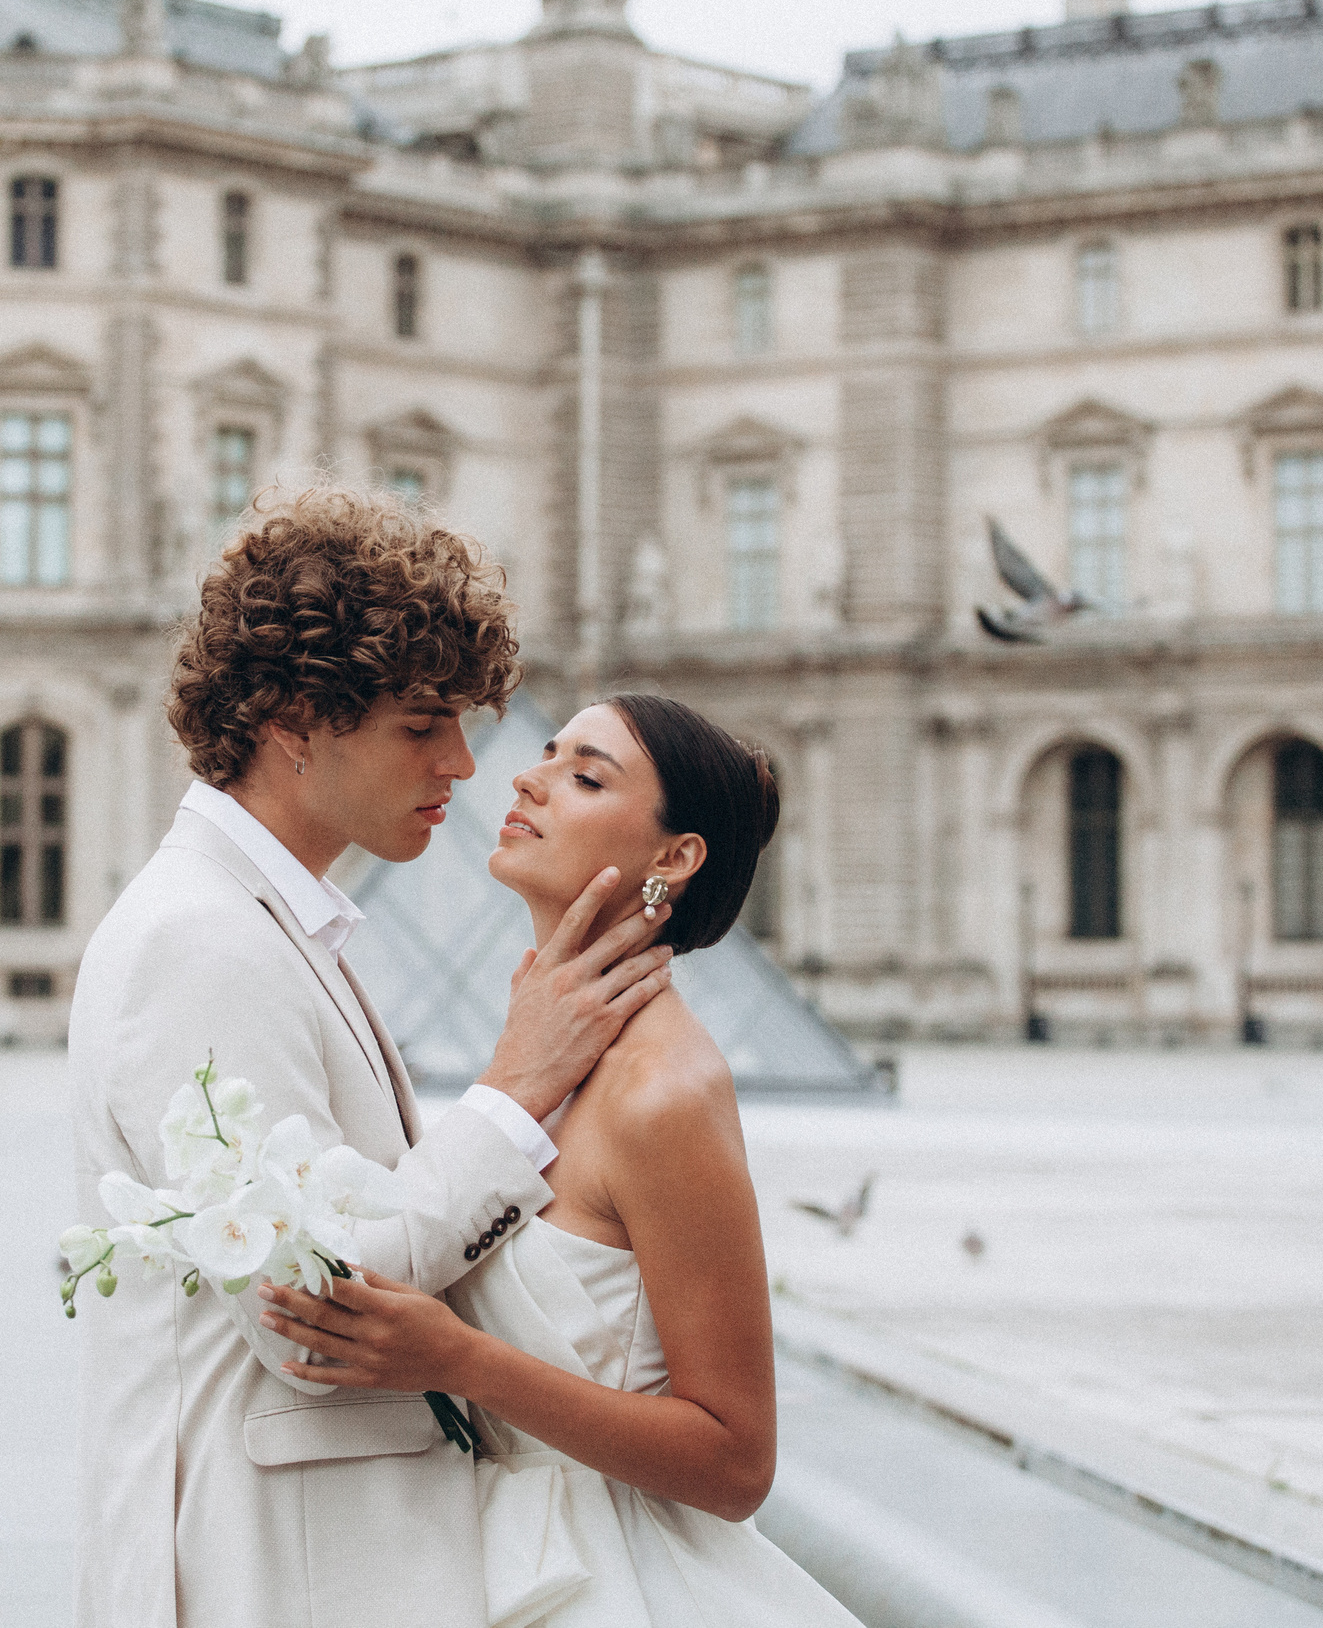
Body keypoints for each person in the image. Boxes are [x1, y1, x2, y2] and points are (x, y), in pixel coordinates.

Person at [67, 489, 677, 1628]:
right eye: (421, 724)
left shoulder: (262, 920)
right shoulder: (198, 941)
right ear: (298, 717)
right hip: (268, 1574)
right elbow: (310, 1309)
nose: (462, 761)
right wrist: (516, 1090)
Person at [256, 693, 865, 1627]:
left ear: (675, 857)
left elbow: (738, 1461)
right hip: (500, 1562)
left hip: (627, 1584)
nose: (526, 778)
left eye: (585, 776)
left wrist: (463, 1359)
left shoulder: (664, 1091)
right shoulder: (547, 1052)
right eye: (546, 751)